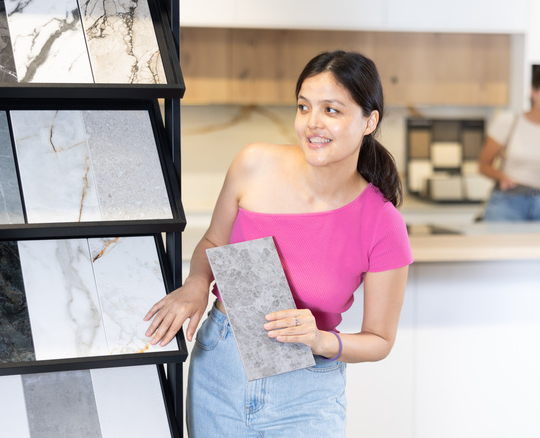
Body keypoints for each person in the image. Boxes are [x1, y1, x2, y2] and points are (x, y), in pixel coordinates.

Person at [143, 51, 413, 437]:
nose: (312, 123)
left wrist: (320, 338)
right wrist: (197, 284)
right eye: (304, 107)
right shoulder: (253, 164)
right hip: (219, 371)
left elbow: (380, 340)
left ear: (369, 121)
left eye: (332, 110)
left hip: (307, 394)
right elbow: (214, 240)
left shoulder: (383, 223)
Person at [478, 65, 540, 221]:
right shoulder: (508, 121)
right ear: (533, 92)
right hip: (507, 203)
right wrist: (502, 176)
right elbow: (483, 166)